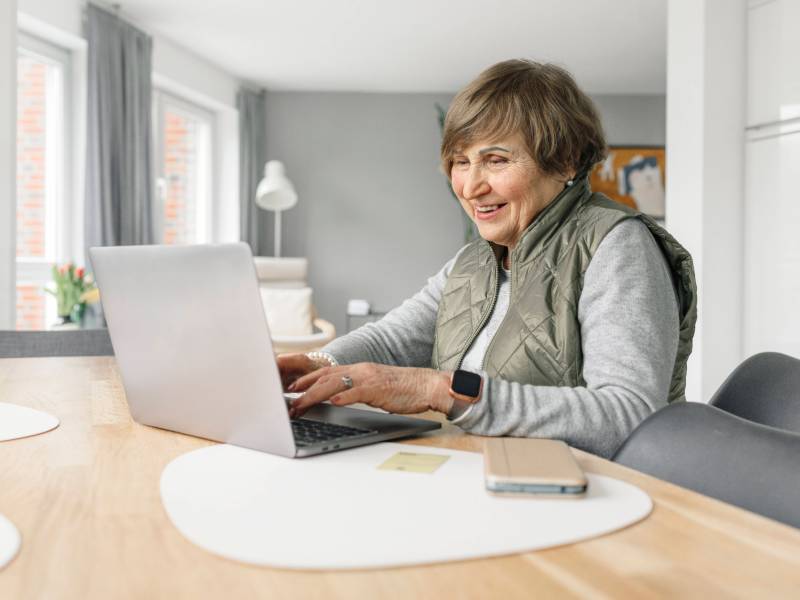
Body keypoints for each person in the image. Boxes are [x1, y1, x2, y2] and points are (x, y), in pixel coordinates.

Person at [278, 59, 697, 459]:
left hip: (589, 491)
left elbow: (628, 414)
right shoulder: (476, 259)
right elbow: (392, 340)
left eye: (495, 160)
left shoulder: (617, 245)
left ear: (565, 160)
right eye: (461, 162)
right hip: (478, 470)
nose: (471, 186)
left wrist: (443, 391)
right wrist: (317, 365)